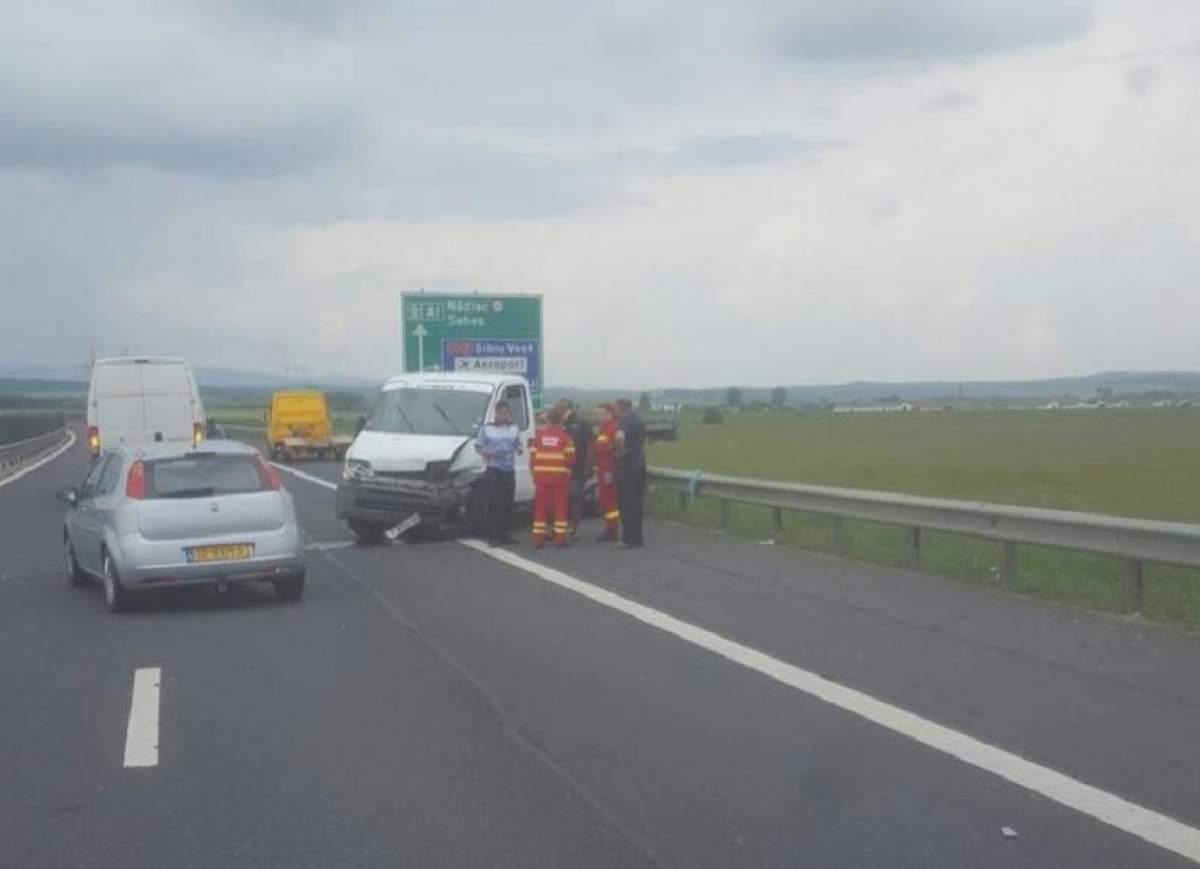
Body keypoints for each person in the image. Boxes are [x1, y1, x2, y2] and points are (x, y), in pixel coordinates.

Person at [473, 401, 523, 546]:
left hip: (509, 469)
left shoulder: (514, 429)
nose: (504, 416)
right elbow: (478, 446)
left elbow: (517, 444)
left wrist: (519, 448)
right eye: (501, 413)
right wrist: (485, 453)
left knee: (508, 502)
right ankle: (493, 536)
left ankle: (505, 534)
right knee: (495, 503)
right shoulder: (487, 429)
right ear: (496, 414)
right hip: (495, 468)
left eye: (506, 413)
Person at [529, 406, 575, 548]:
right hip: (560, 478)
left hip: (541, 478)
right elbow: (570, 460)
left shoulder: (539, 437)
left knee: (540, 508)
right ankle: (560, 539)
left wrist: (534, 473)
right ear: (560, 421)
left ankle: (538, 539)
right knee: (560, 508)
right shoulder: (565, 438)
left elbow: (532, 457)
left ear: (548, 420)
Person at [614, 397, 647, 548]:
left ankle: (628, 540)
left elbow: (619, 442)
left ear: (621, 407)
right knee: (636, 504)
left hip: (627, 465)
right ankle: (637, 538)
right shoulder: (640, 421)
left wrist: (618, 454)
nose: (615, 411)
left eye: (616, 408)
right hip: (639, 464)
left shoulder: (624, 422)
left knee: (627, 504)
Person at [558, 400, 594, 538]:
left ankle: (573, 528)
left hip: (578, 468)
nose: (560, 412)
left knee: (574, 495)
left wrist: (589, 466)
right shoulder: (560, 425)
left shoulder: (582, 425)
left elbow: (590, 445)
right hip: (562, 468)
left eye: (562, 409)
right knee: (562, 498)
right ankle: (561, 527)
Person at [592, 402, 621, 541]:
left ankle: (612, 529)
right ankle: (610, 527)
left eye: (601, 414)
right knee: (605, 500)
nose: (598, 417)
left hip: (608, 470)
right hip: (602, 469)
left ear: (610, 414)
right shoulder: (604, 429)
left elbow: (613, 451)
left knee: (610, 501)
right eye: (597, 414)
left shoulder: (613, 429)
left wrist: (610, 472)